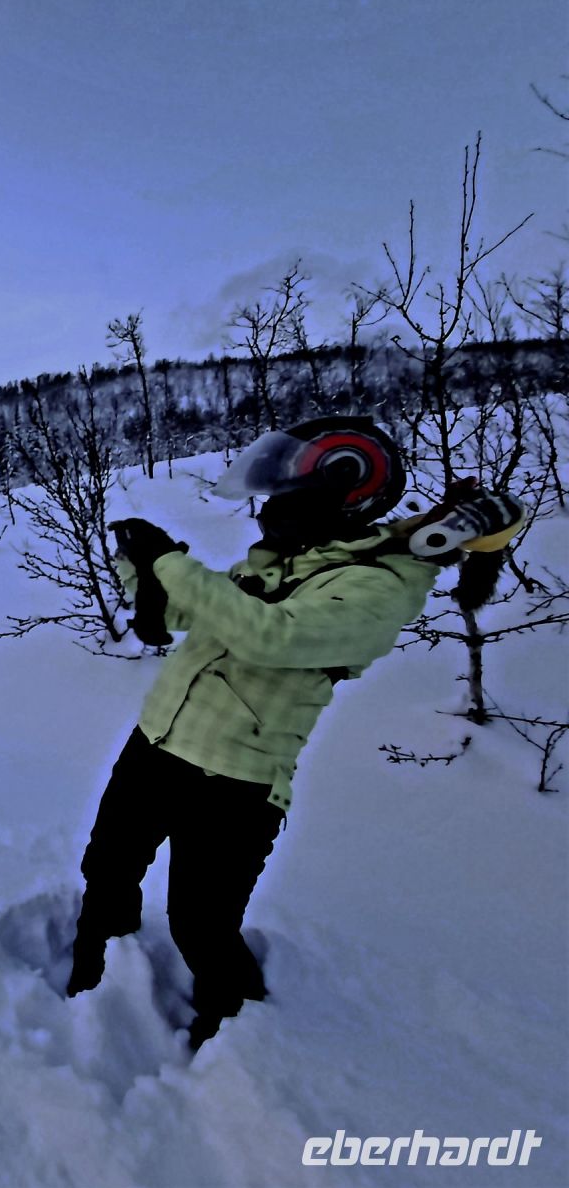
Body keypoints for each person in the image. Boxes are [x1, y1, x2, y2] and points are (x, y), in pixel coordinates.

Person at [66, 417, 514, 1050]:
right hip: (156, 744)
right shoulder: (297, 559)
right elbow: (189, 611)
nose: (273, 508)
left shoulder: (376, 587)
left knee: (200, 927)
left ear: (338, 493)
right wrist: (140, 565)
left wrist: (171, 561)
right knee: (108, 868)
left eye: (287, 492)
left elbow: (269, 637)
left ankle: (238, 1046)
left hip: (236, 781)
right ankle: (93, 971)